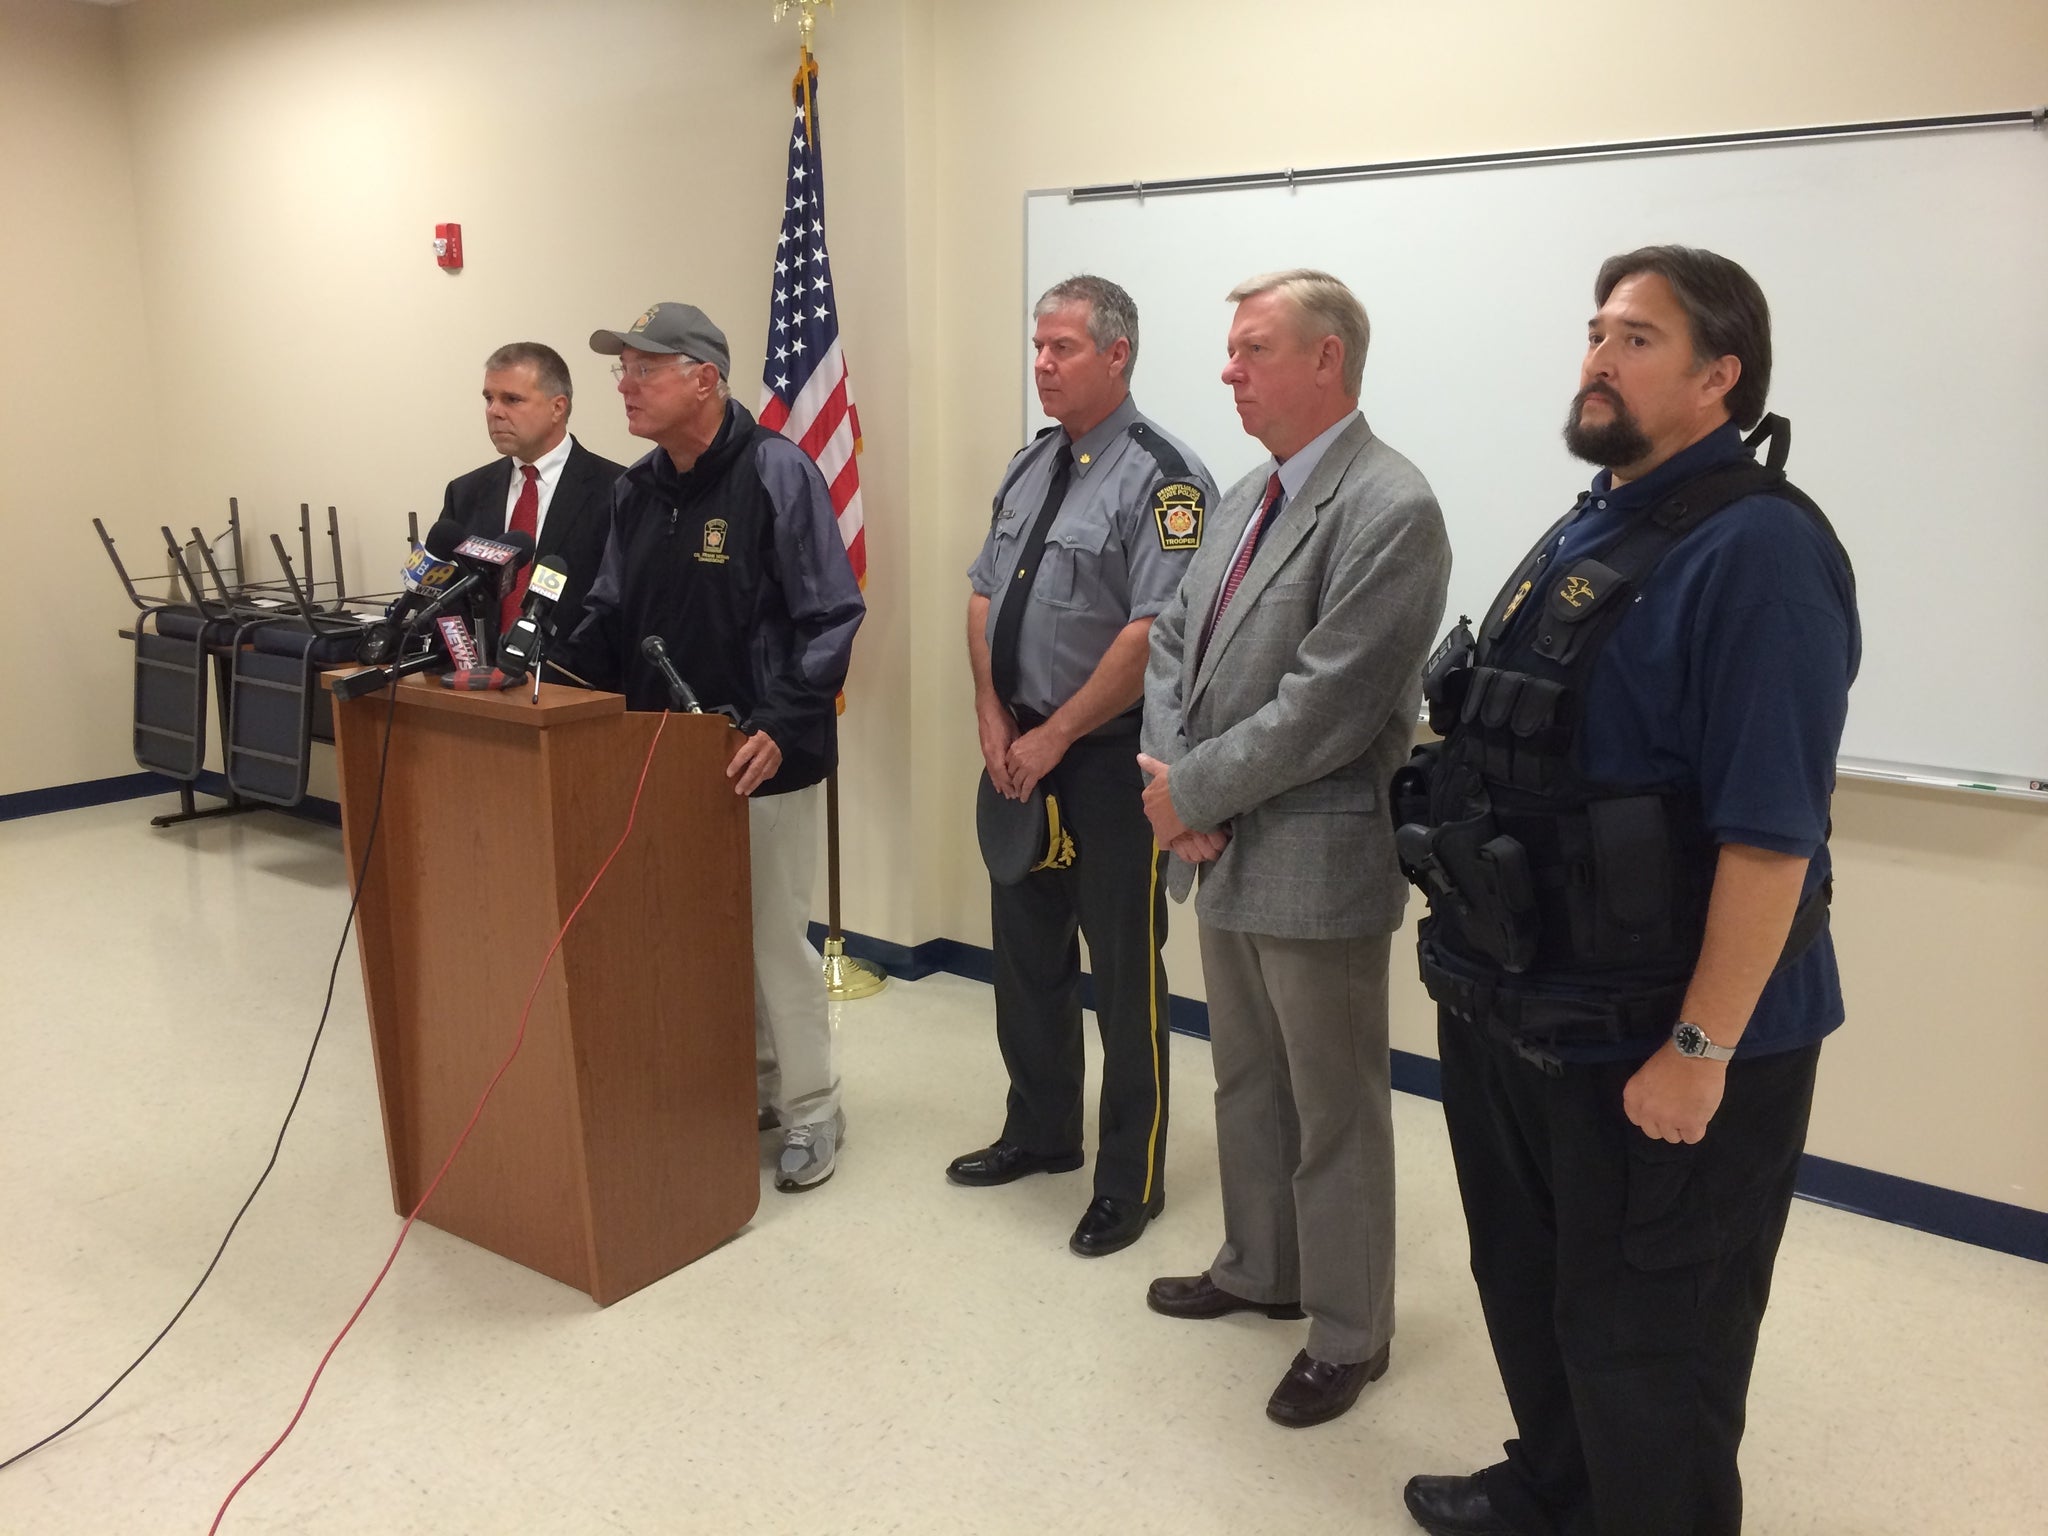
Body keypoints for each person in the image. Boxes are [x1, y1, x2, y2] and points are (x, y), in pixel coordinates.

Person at [1395, 247, 1859, 1536]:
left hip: (1667, 1039)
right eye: (1595, 331)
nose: (1598, 356)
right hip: (1529, 1004)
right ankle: (1556, 1489)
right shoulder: (1597, 516)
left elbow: (1770, 842)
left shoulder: (1758, 553)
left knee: (1657, 1340)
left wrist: (1698, 1049)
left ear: (1719, 377)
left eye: (1637, 338)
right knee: (1538, 1285)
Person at [1137, 270, 1451, 1426]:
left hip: (1312, 857)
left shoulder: (1389, 507)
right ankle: (1256, 1268)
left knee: (1334, 1107)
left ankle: (1348, 1330)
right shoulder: (1242, 496)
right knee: (1245, 1078)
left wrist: (1190, 794)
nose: (1227, 370)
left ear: (1326, 359)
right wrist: (1179, 793)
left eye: (1251, 348)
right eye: (1228, 350)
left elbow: (1329, 705)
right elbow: (1173, 644)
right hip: (1216, 846)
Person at [556, 302, 865, 1193]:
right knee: (703, 939)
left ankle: (815, 1108)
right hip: (662, 754)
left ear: (704, 378)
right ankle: (757, 1088)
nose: (626, 385)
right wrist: (545, 667)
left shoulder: (777, 471)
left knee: (773, 942)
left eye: (645, 369)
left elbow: (830, 614)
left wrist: (779, 722)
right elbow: (612, 611)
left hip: (764, 753)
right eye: (623, 369)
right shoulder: (637, 489)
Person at [949, 275, 1217, 1258]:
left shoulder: (1164, 478)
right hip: (1017, 754)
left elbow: (1153, 633)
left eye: (1062, 347)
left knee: (1122, 977)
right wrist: (989, 716)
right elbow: (982, 595)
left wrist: (1054, 735)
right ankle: (1040, 1131)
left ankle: (1126, 1179)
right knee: (1026, 962)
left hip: (1107, 768)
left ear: (1117, 355)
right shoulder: (1031, 466)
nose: (1042, 364)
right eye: (1037, 345)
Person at [440, 342, 623, 641]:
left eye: (512, 399)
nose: (494, 411)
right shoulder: (464, 493)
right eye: (489, 398)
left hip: (575, 681)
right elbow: (449, 599)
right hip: (478, 680)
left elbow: (616, 607)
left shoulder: (617, 490)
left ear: (557, 407)